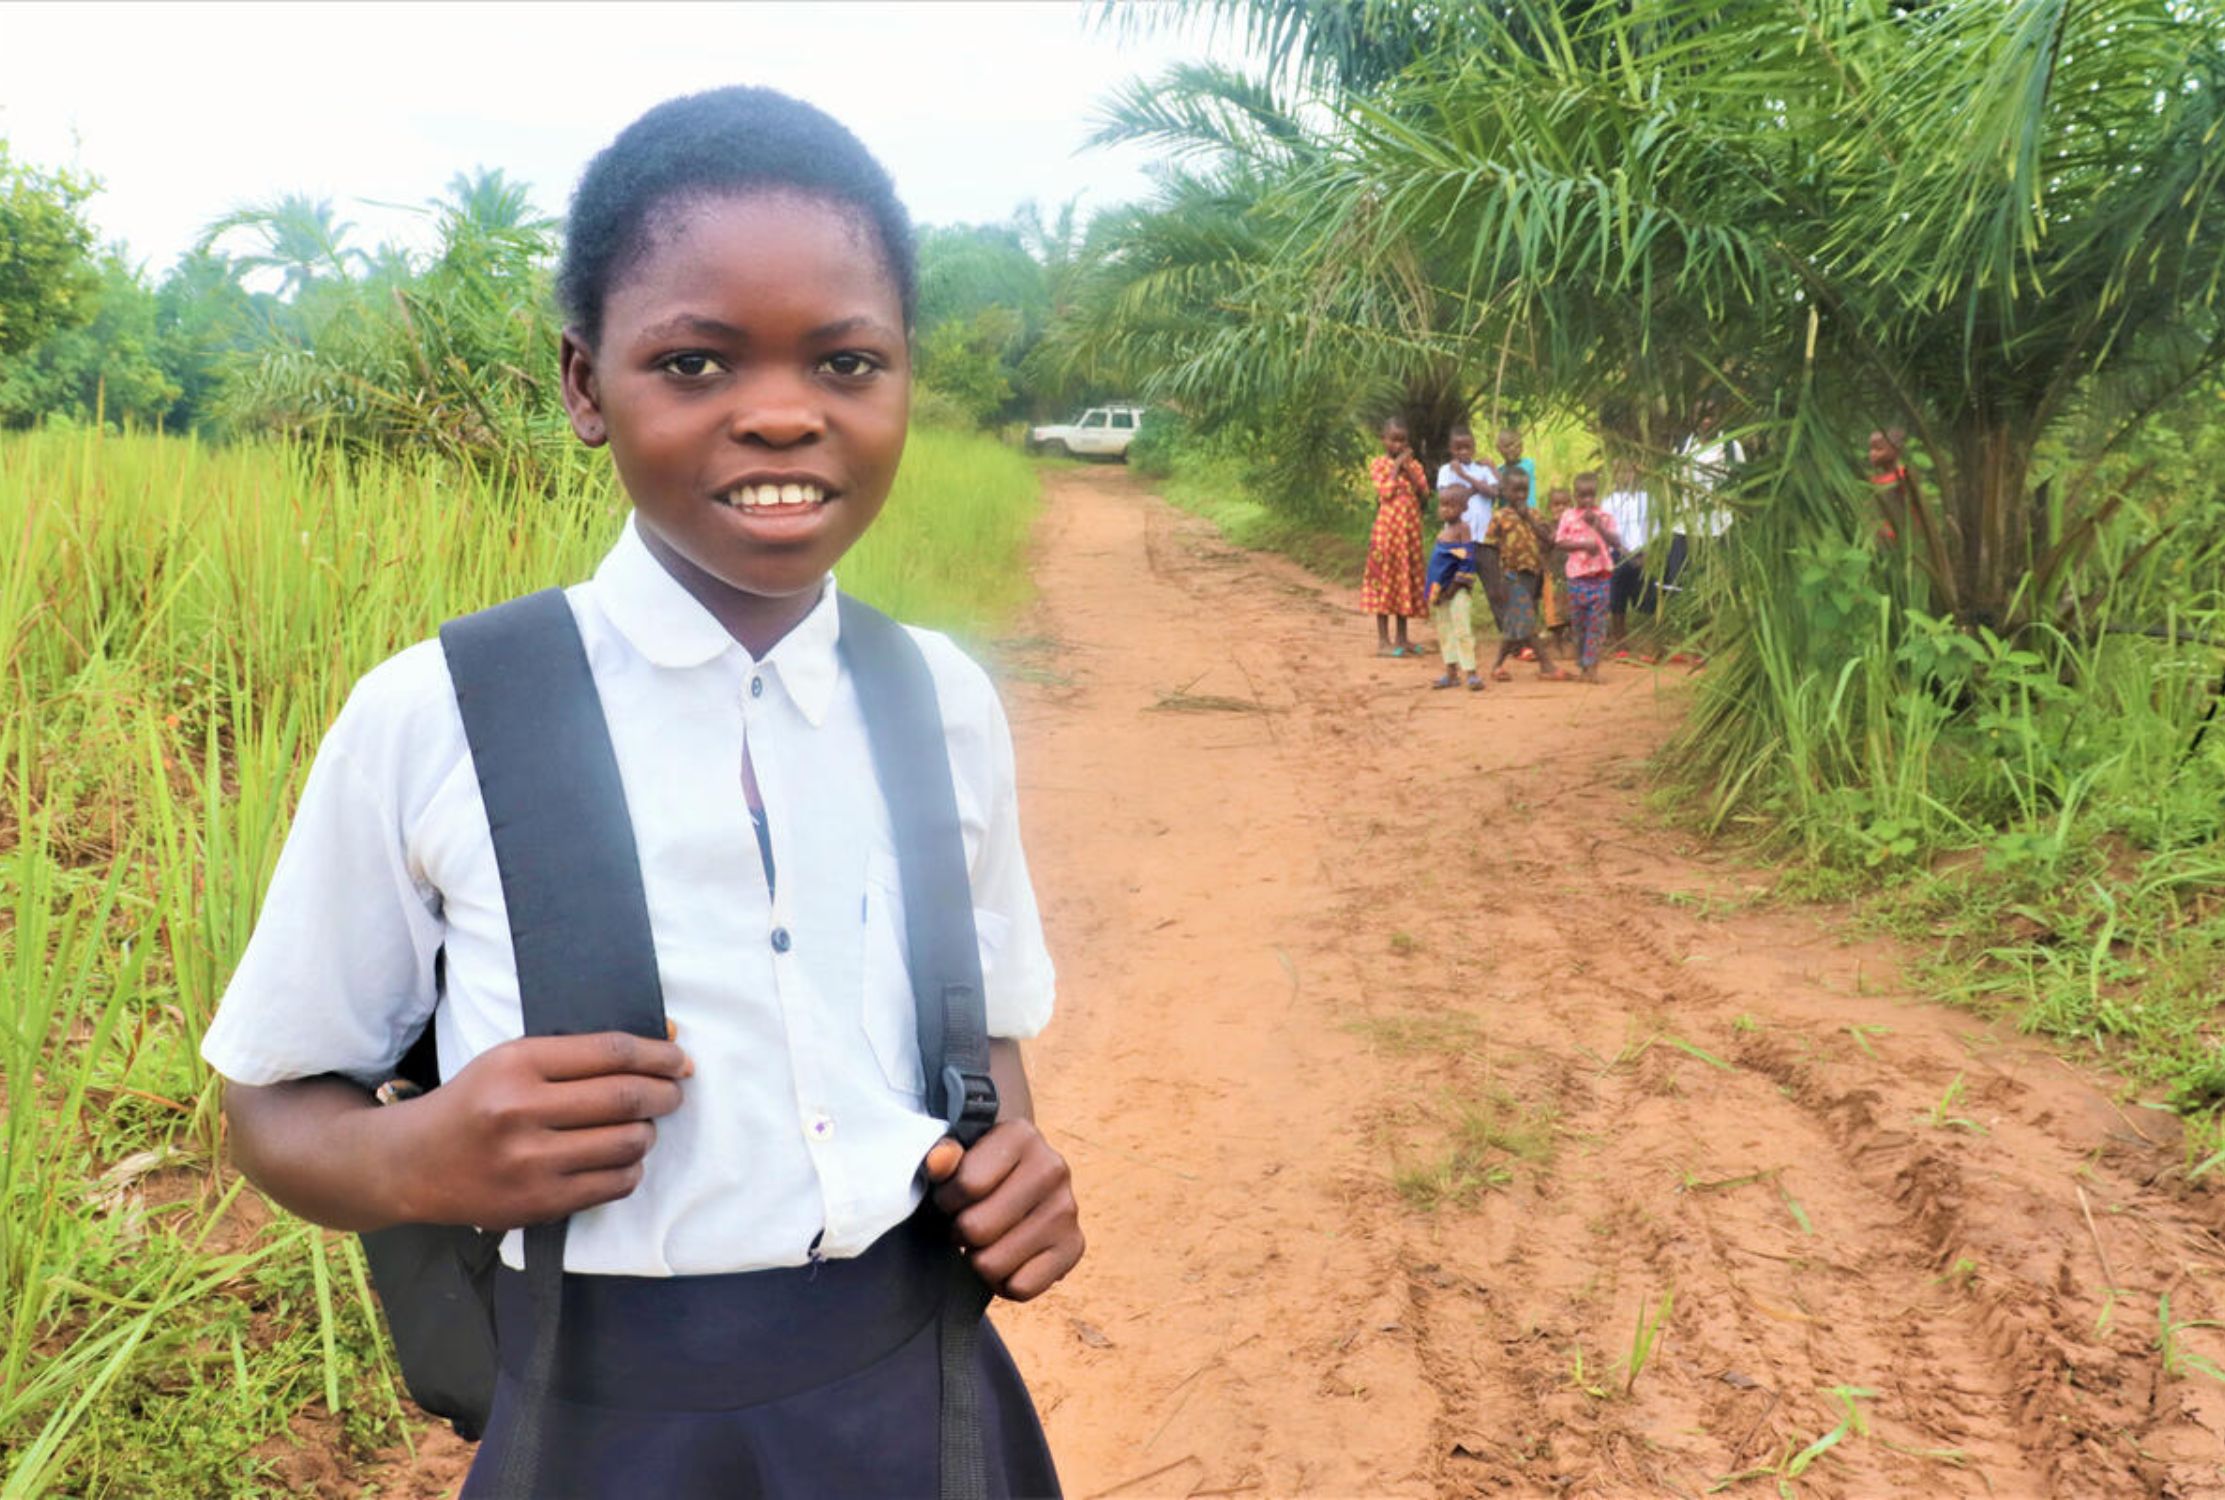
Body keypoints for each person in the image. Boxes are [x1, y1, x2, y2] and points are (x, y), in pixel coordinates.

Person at [198, 87, 1078, 1499]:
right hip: (601, 1429)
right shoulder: (437, 717)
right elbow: (271, 1108)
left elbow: (978, 1033)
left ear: (908, 376)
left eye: (847, 362)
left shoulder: (941, 705)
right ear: (582, 384)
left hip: (922, 1406)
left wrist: (1008, 1164)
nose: (782, 417)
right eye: (695, 363)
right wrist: (422, 1156)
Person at [1482, 469, 1565, 682]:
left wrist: (1529, 517)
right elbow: (1490, 549)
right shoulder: (1500, 517)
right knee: (1526, 621)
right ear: (1505, 491)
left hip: (1534, 576)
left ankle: (1497, 666)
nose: (1520, 495)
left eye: (1524, 491)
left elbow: (1549, 540)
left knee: (1513, 623)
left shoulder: (1535, 514)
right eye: (1515, 490)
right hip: (1512, 576)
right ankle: (1546, 665)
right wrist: (1496, 583)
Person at [1362, 417, 1431, 657]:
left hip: (1408, 537)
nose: (1398, 445)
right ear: (1384, 440)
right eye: (1394, 440)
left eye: (1403, 441)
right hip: (1387, 536)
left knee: (1404, 582)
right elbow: (1385, 491)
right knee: (1385, 583)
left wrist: (1408, 468)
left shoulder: (1415, 466)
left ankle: (1402, 638)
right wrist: (1395, 468)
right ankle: (1383, 641)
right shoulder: (1379, 464)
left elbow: (1424, 492)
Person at [1556, 471, 1623, 682]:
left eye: (1591, 496)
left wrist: (1599, 527)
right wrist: (1583, 545)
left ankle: (1592, 668)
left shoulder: (1605, 516)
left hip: (1600, 578)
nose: (1587, 501)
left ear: (1598, 496)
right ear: (1575, 495)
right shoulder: (1568, 516)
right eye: (1582, 496)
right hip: (1577, 579)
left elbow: (1615, 542)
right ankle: (1583, 667)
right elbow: (1560, 542)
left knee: (1597, 625)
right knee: (1579, 625)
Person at [1437, 426, 1504, 635]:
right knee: (1456, 588)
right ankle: (1455, 634)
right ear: (1450, 449)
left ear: (1474, 448)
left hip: (1485, 538)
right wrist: (1477, 487)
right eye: (1458, 448)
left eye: (1467, 447)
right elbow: (1450, 500)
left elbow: (1495, 492)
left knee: (1495, 590)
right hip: (1456, 541)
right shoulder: (1445, 472)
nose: (1463, 452)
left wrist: (1466, 477)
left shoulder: (1482, 469)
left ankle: (1512, 638)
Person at [1426, 494, 1485, 691]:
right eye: (1442, 505)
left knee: (1462, 629)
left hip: (1457, 588)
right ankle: (1451, 671)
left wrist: (1453, 587)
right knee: (1445, 630)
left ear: (1463, 508)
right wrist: (1434, 591)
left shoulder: (1463, 529)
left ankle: (1471, 672)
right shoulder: (1443, 532)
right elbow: (1439, 564)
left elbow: (1467, 560)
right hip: (1441, 591)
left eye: (1451, 505)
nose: (1445, 509)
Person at [1601, 462, 1654, 646]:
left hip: (1643, 552)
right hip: (1618, 552)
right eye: (1620, 472)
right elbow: (1606, 531)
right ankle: (1619, 639)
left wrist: (1647, 552)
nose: (1625, 476)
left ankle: (1651, 641)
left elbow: (1652, 527)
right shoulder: (1609, 502)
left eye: (1629, 471)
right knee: (1618, 597)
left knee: (1647, 596)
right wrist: (1623, 551)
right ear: (1614, 476)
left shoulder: (1646, 499)